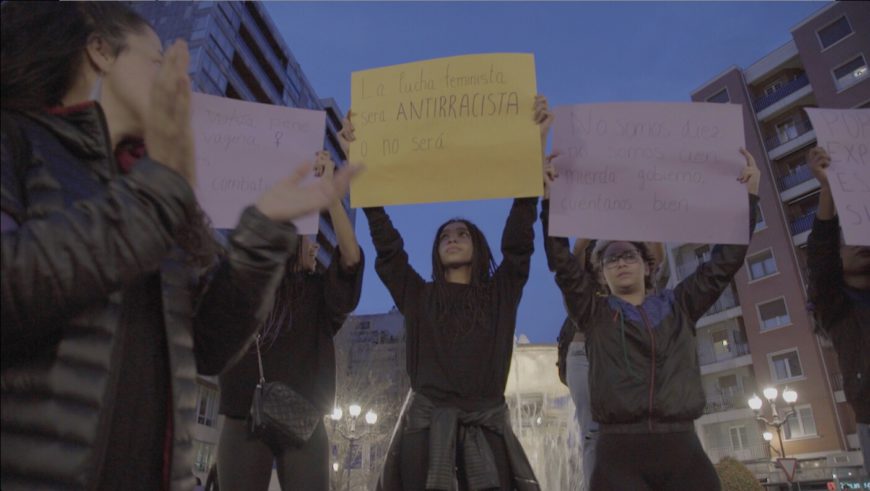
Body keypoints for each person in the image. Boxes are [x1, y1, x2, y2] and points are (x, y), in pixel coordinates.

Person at [0, 3, 359, 489]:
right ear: (101, 52)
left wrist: (264, 232)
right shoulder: (19, 143)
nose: (178, 82)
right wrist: (157, 190)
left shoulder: (156, 189)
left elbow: (208, 347)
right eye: (158, 61)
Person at [349, 96, 554, 490]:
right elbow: (389, 251)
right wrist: (361, 166)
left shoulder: (501, 293)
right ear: (436, 250)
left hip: (487, 431)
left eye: (462, 234)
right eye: (445, 235)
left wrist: (533, 150)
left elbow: (520, 242)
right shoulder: (418, 296)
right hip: (425, 435)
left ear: (478, 245)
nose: (452, 238)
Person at [543, 148, 760, 490]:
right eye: (610, 259)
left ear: (648, 266)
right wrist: (550, 200)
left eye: (629, 254)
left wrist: (748, 199)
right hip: (618, 454)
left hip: (682, 449)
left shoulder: (681, 305)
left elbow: (726, 261)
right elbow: (561, 263)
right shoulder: (593, 314)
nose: (620, 262)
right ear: (600, 275)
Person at [216, 152, 364, 491]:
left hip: (304, 421)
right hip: (242, 416)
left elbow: (350, 260)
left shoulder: (317, 291)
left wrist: (333, 201)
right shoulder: (239, 285)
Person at [555, 238, 666, 491]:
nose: (620, 262)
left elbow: (657, 261)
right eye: (612, 259)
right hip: (584, 353)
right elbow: (572, 264)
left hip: (629, 350)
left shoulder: (634, 255)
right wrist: (585, 232)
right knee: (593, 433)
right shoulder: (588, 275)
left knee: (641, 428)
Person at [806, 146, 869, 471]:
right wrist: (828, 189)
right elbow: (819, 255)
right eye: (850, 239)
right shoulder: (836, 308)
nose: (861, 243)